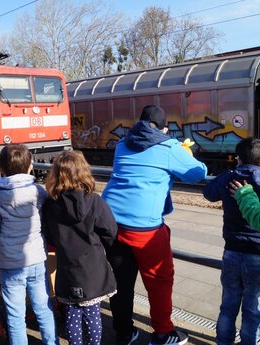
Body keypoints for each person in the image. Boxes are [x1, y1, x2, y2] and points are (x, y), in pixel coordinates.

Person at [102, 105, 208, 345]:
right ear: (165, 128)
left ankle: (124, 334)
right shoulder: (169, 147)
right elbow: (198, 173)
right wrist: (185, 153)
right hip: (144, 229)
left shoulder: (121, 145)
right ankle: (162, 333)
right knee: (159, 280)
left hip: (112, 222)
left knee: (121, 281)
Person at [0, 144, 59, 345]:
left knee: (15, 315)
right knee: (44, 308)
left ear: (1, 169)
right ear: (30, 167)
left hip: (10, 265)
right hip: (38, 260)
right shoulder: (39, 193)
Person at [41, 150, 117, 345]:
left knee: (72, 315)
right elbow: (110, 231)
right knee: (92, 316)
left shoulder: (50, 205)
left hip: (67, 271)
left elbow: (48, 234)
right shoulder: (95, 201)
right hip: (92, 272)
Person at [203, 137, 260, 345]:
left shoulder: (230, 176)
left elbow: (208, 193)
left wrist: (230, 172)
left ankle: (223, 341)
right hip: (257, 254)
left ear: (239, 158)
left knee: (228, 304)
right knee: (253, 309)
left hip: (232, 251)